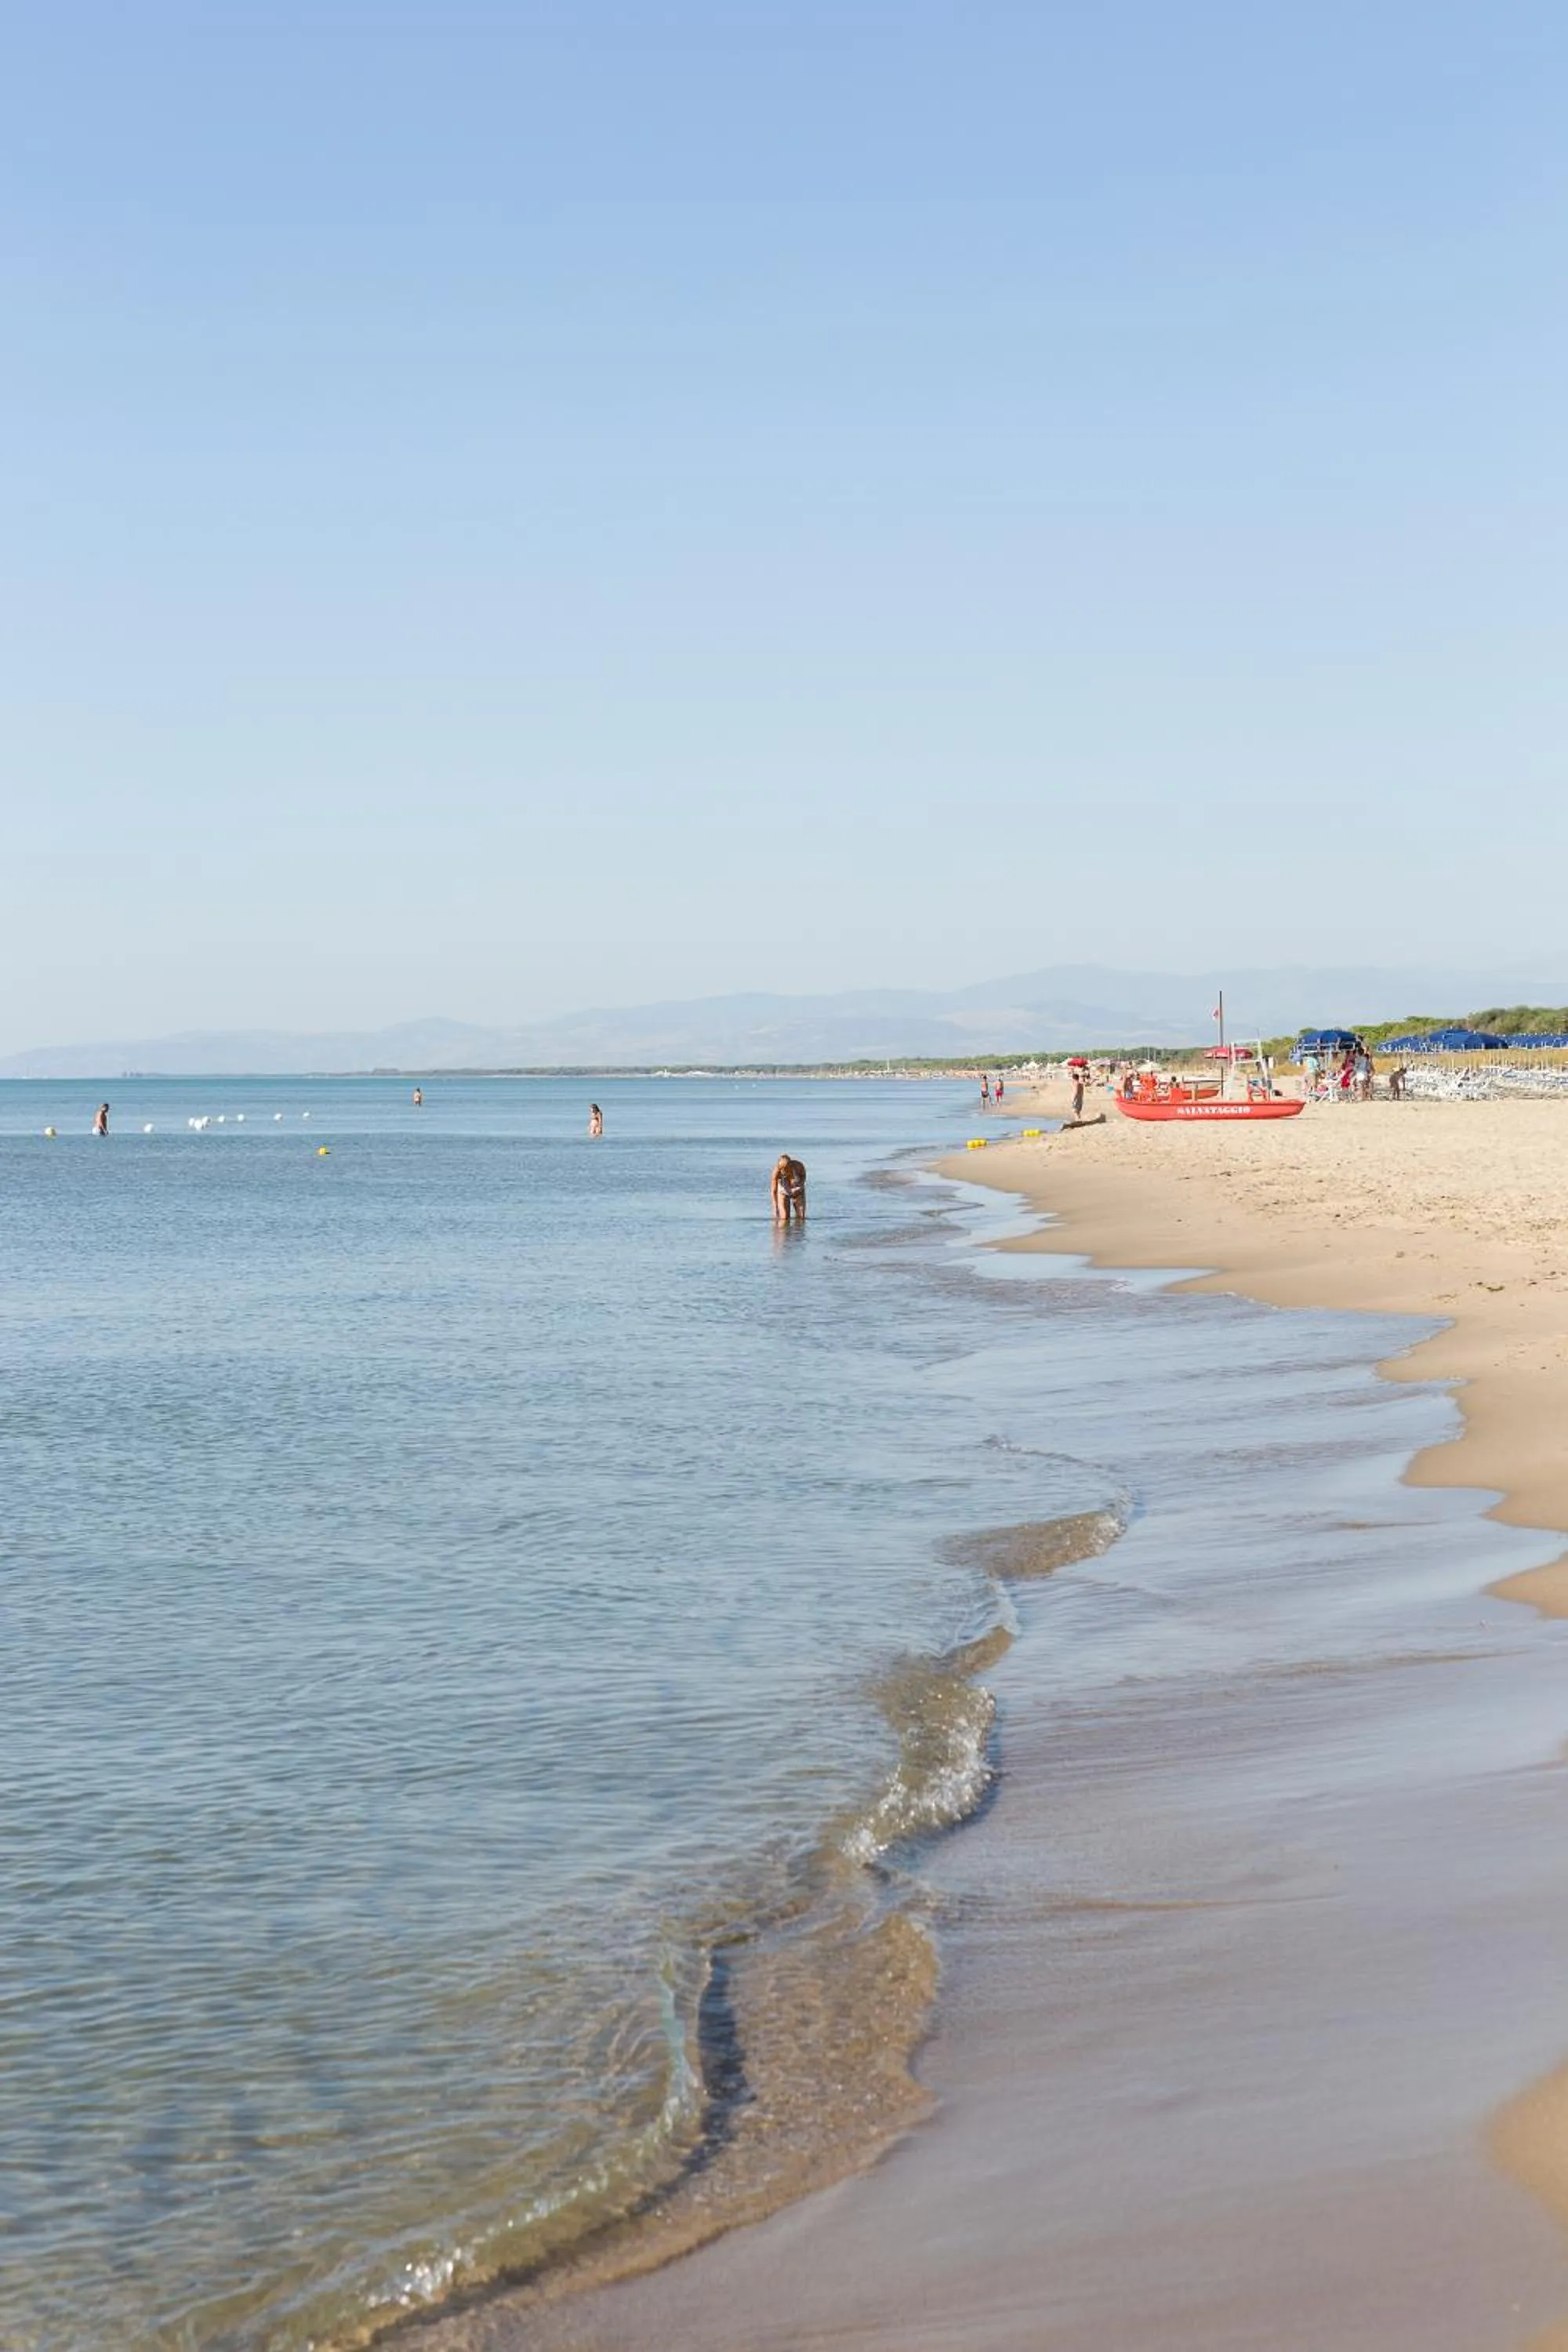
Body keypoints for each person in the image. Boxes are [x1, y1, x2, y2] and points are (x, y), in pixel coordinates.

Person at [771, 1153, 807, 1225]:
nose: (784, 1171)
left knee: (801, 1216)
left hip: (797, 1189)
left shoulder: (798, 1166)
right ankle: (784, 1233)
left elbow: (803, 1175)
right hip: (783, 1191)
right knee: (784, 1217)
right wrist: (775, 1208)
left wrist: (801, 1184)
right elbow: (773, 1191)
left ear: (791, 1165)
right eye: (782, 1169)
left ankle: (798, 1233)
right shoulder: (776, 1172)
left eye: (786, 1168)